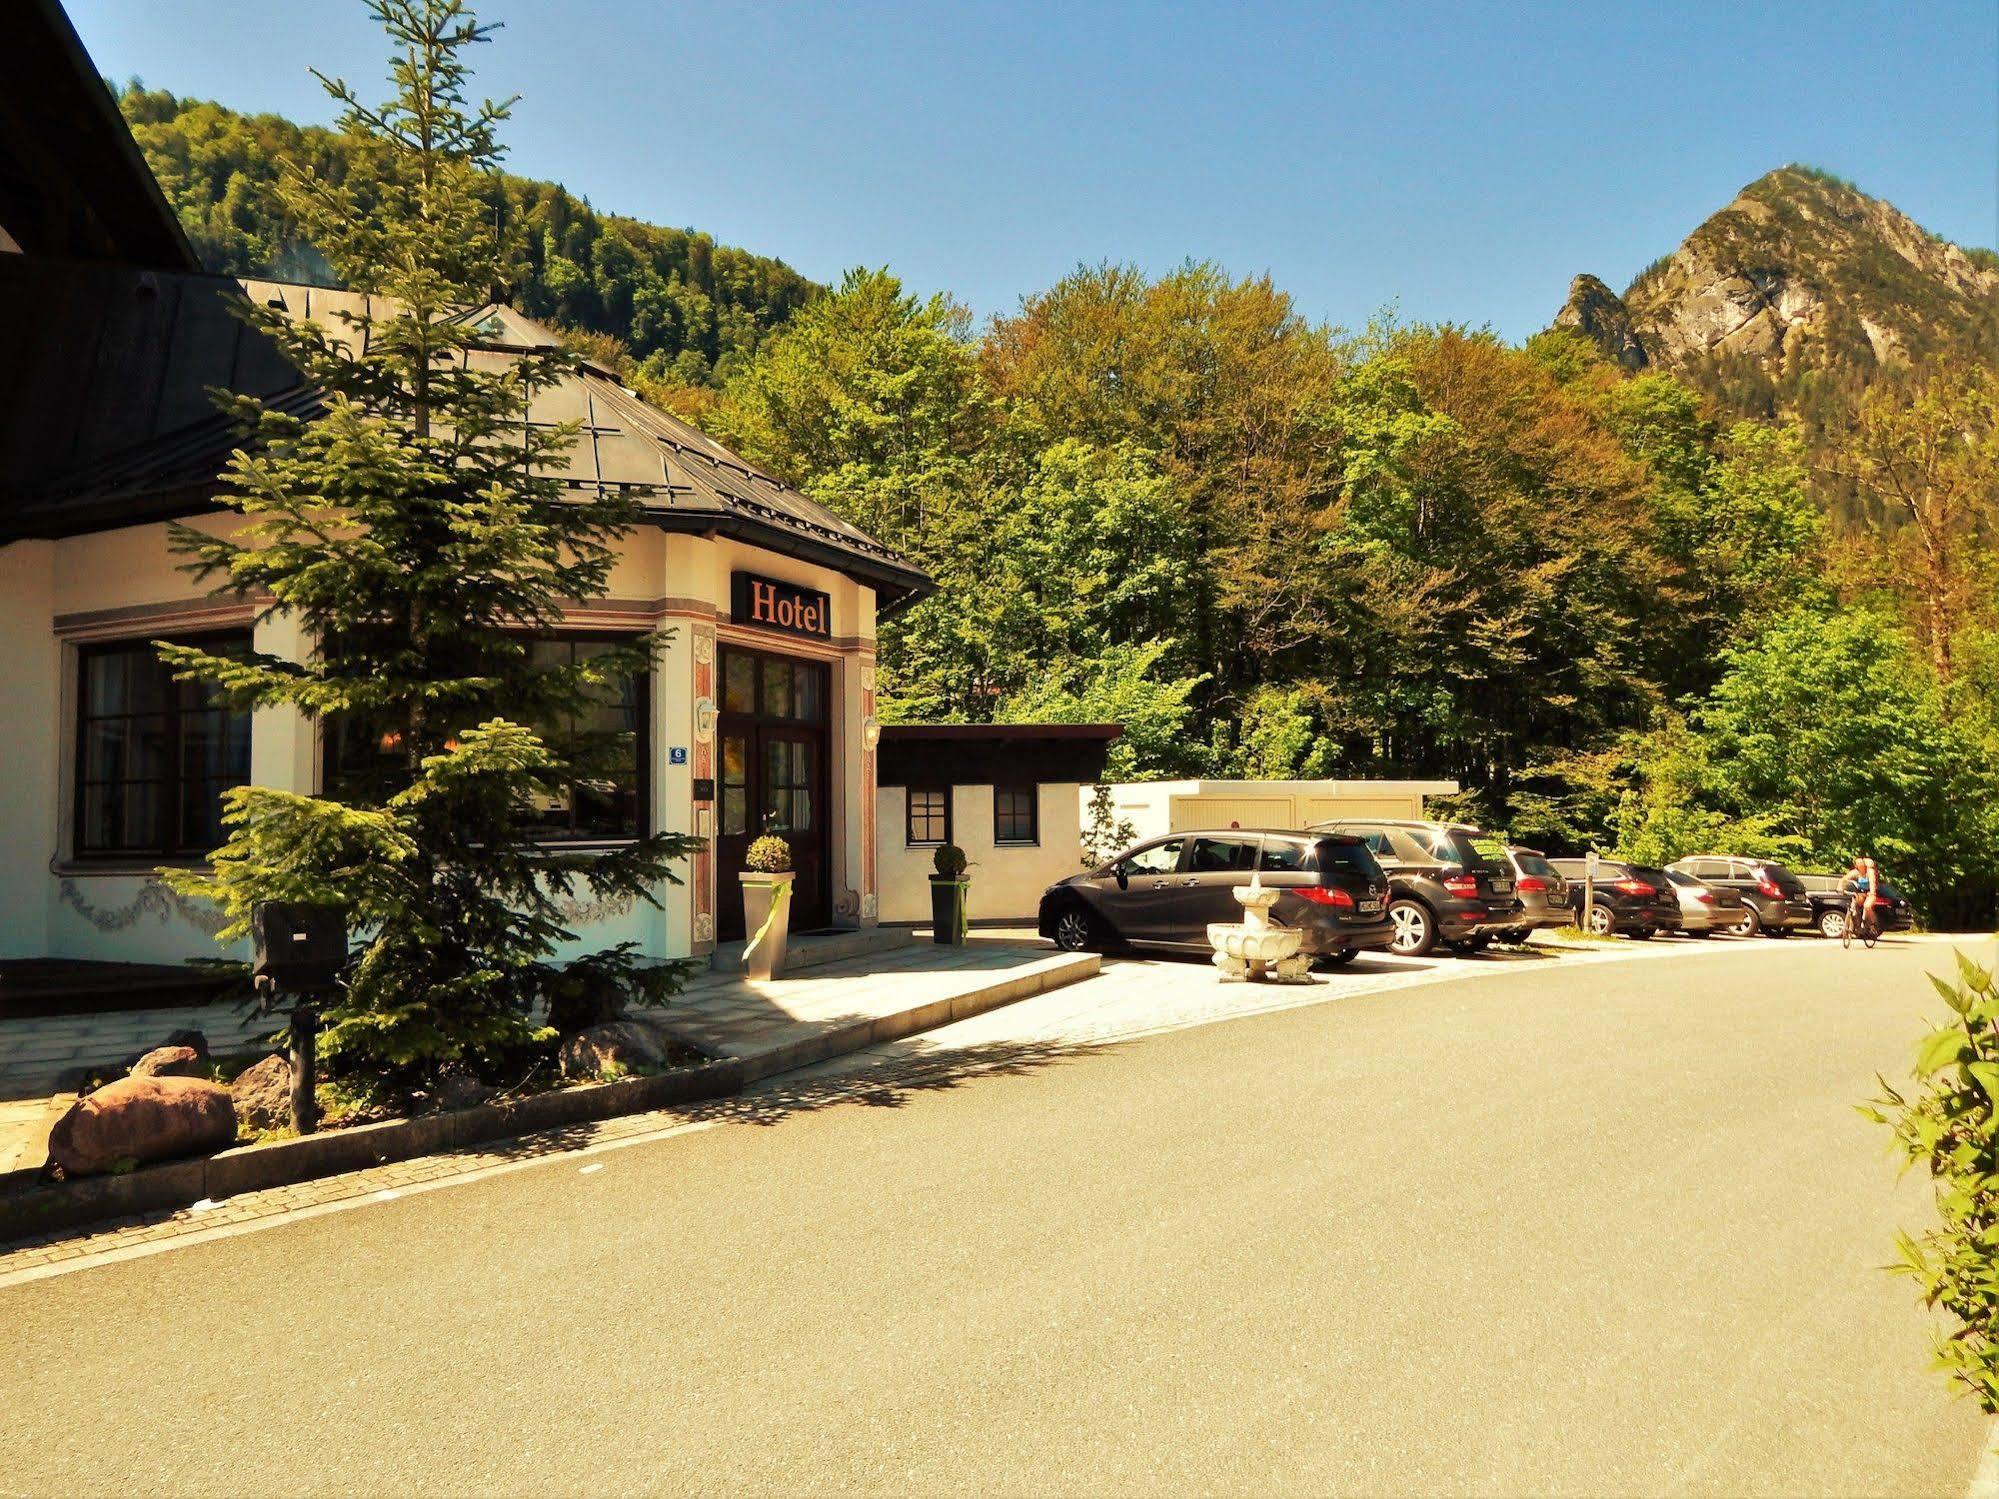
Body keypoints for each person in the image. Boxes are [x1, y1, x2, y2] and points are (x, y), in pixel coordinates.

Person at [1838, 855, 1885, 941]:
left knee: (1867, 906)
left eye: (1861, 863)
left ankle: (1872, 924)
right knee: (1854, 906)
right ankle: (1857, 926)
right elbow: (1844, 879)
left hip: (1871, 892)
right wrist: (1840, 888)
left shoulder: (1869, 872)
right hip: (1861, 892)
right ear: (1856, 865)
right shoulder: (1855, 872)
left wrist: (1872, 892)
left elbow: (1872, 881)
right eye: (1858, 864)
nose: (1860, 865)